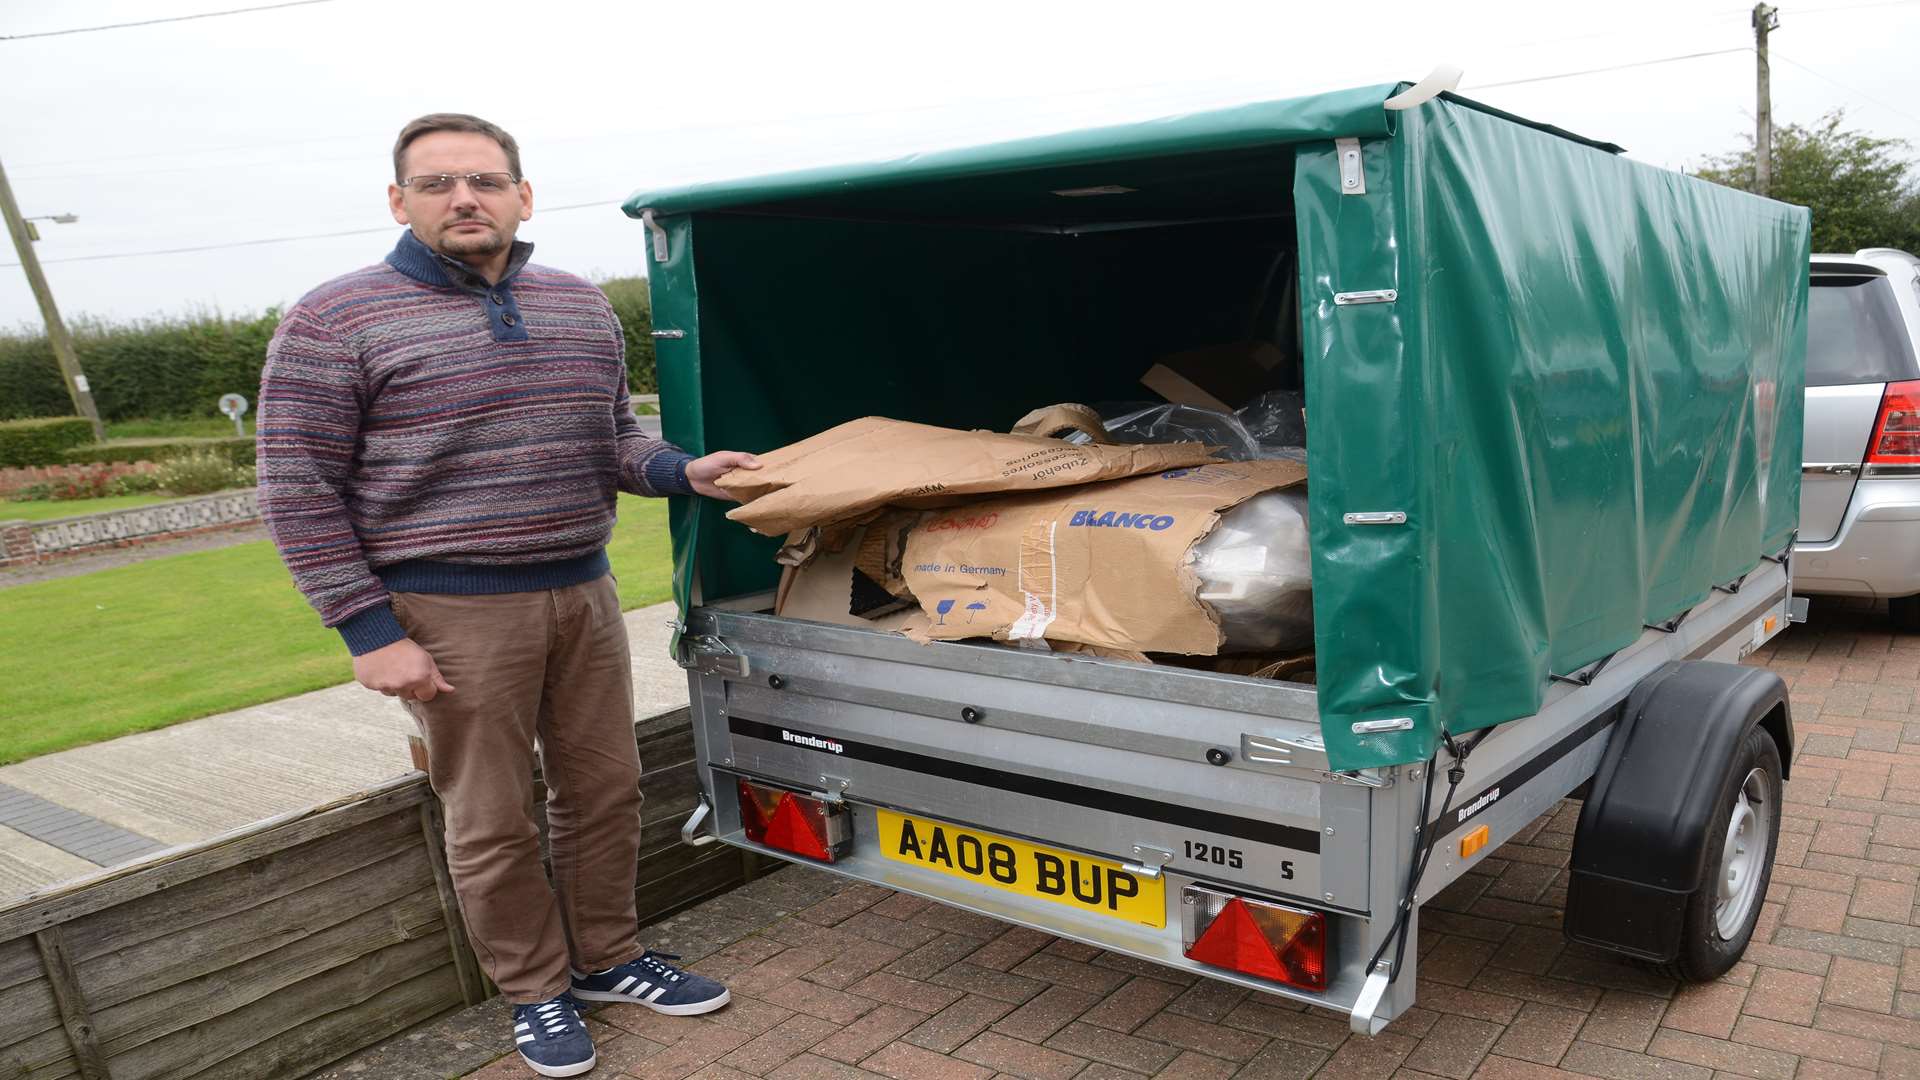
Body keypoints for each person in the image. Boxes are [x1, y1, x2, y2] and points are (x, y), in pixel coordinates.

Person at [257, 112, 756, 1079]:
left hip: (583, 593)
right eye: (437, 184)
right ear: (399, 202)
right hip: (449, 612)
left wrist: (685, 472)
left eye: (483, 180)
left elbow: (611, 439)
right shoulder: (333, 320)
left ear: (523, 197)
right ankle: (537, 992)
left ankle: (610, 959)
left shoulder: (577, 305)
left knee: (605, 792)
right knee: (490, 815)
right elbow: (296, 488)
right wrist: (367, 630)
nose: (463, 198)